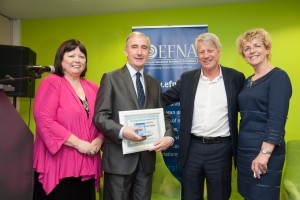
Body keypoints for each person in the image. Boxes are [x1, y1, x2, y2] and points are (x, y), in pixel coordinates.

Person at [163, 32, 245, 200]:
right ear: (197, 55)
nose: (206, 55)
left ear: (219, 52)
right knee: (190, 196)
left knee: (219, 196)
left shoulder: (235, 78)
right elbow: (162, 100)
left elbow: (249, 107)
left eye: (210, 50)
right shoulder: (187, 79)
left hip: (221, 149)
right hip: (192, 148)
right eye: (201, 52)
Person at [93, 31, 174, 200]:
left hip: (145, 162)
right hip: (118, 161)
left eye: (144, 48)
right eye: (134, 47)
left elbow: (163, 116)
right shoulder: (110, 78)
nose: (139, 52)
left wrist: (169, 137)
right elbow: (100, 117)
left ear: (148, 52)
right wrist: (123, 131)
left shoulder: (154, 84)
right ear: (126, 51)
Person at [33, 39, 104, 200]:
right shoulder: (51, 83)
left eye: (81, 56)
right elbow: (45, 120)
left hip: (87, 163)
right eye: (71, 55)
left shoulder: (94, 88)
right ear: (61, 60)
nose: (77, 60)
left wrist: (99, 140)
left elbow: (103, 118)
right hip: (59, 164)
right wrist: (79, 144)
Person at [236, 28, 292, 200]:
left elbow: (277, 118)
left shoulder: (278, 77)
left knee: (263, 195)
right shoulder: (247, 81)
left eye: (257, 45)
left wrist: (264, 154)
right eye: (247, 48)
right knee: (248, 195)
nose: (252, 51)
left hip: (265, 151)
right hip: (244, 151)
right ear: (243, 55)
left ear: (267, 49)